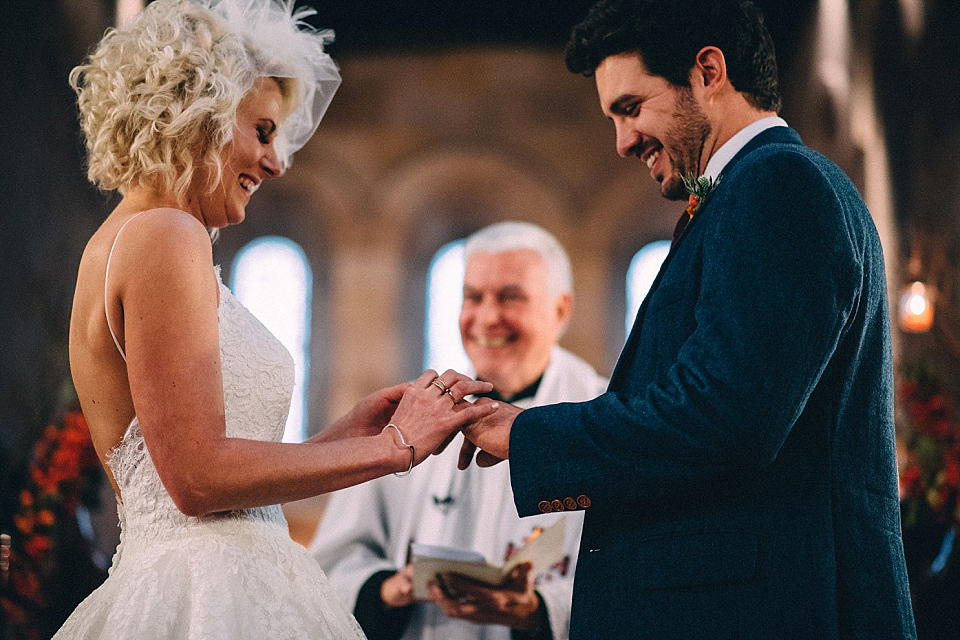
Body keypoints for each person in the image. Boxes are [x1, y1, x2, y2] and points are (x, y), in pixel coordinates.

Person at [458, 1, 918, 638]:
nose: (622, 142)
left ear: (708, 71)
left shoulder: (779, 185)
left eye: (630, 108)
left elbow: (724, 416)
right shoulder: (748, 195)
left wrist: (529, 435)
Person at [56, 0, 496, 637]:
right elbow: (196, 480)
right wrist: (392, 449)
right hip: (208, 597)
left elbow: (202, 482)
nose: (277, 162)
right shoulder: (164, 234)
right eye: (262, 131)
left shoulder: (127, 237)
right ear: (198, 114)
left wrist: (344, 438)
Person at [309, 221, 608, 640]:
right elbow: (333, 565)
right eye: (473, 297)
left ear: (560, 310)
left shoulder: (601, 419)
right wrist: (390, 590)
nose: (487, 318)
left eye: (510, 297)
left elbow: (635, 581)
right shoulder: (416, 417)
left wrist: (537, 612)